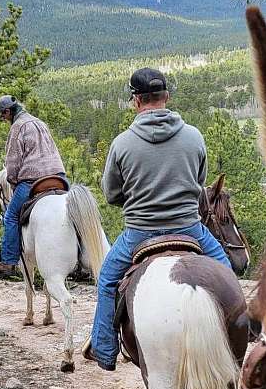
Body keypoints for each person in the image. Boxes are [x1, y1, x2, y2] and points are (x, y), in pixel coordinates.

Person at [84, 67, 231, 371]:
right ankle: (242, 334)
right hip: (190, 228)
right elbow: (199, 181)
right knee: (227, 273)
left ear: (135, 100)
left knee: (108, 281)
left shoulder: (122, 144)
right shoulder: (193, 136)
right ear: (167, 97)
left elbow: (112, 194)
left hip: (140, 233)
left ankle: (104, 349)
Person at [0, 95, 67, 275]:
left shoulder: (17, 127)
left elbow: (13, 162)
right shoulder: (40, 122)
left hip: (33, 179)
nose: (4, 119)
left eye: (3, 116)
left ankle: (8, 262)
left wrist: (13, 181)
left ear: (8, 111)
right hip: (58, 176)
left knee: (10, 216)